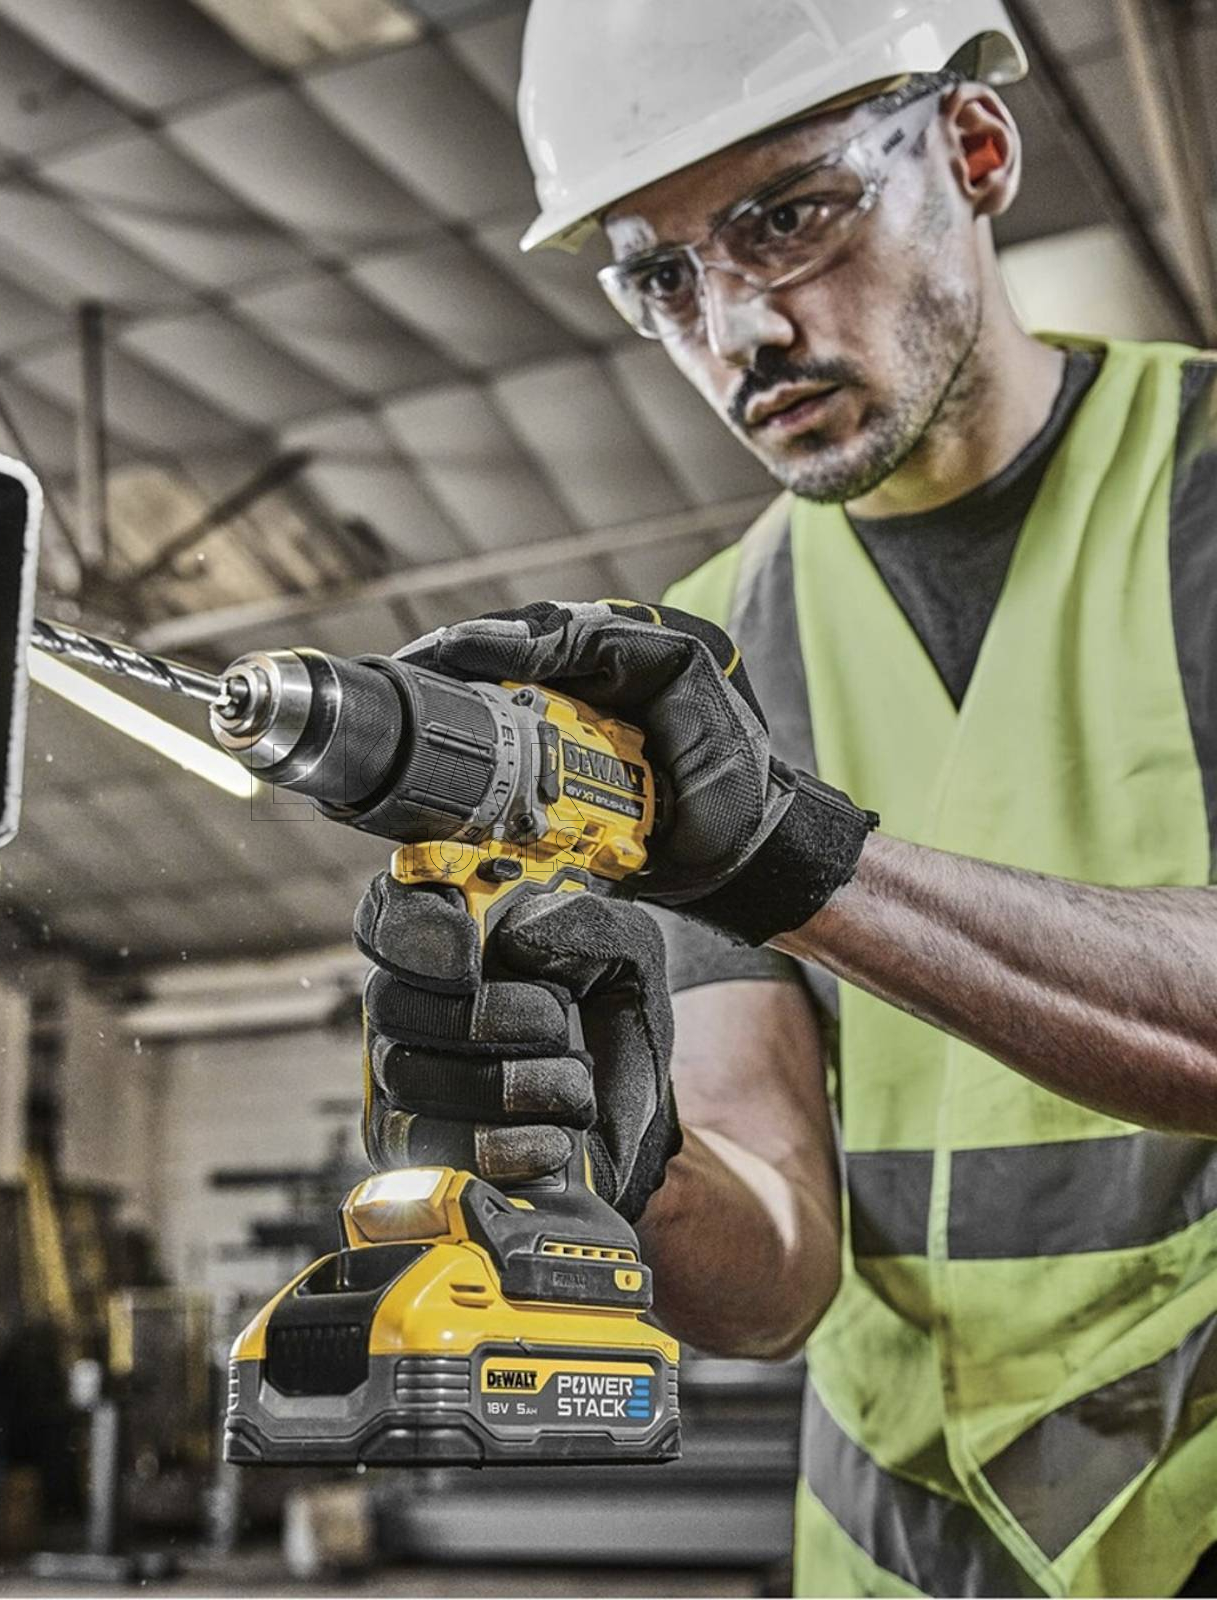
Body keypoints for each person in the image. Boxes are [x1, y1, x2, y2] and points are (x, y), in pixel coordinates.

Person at [351, 3, 1217, 1595]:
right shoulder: (705, 656)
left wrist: (794, 861)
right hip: (895, 1550)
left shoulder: (1203, 489)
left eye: (788, 217)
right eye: (662, 278)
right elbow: (780, 1277)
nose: (736, 328)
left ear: (976, 149)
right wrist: (622, 1166)